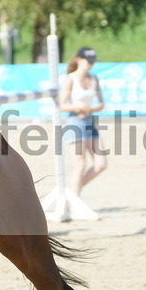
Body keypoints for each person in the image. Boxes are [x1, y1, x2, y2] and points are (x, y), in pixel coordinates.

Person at [58, 46, 107, 195]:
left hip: (89, 121)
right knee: (80, 163)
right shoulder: (71, 79)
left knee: (101, 164)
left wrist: (89, 109)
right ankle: (75, 196)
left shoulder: (94, 79)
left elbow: (101, 103)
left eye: (92, 62)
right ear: (79, 60)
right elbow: (61, 104)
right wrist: (78, 106)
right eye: (88, 61)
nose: (91, 64)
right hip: (74, 122)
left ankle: (71, 193)